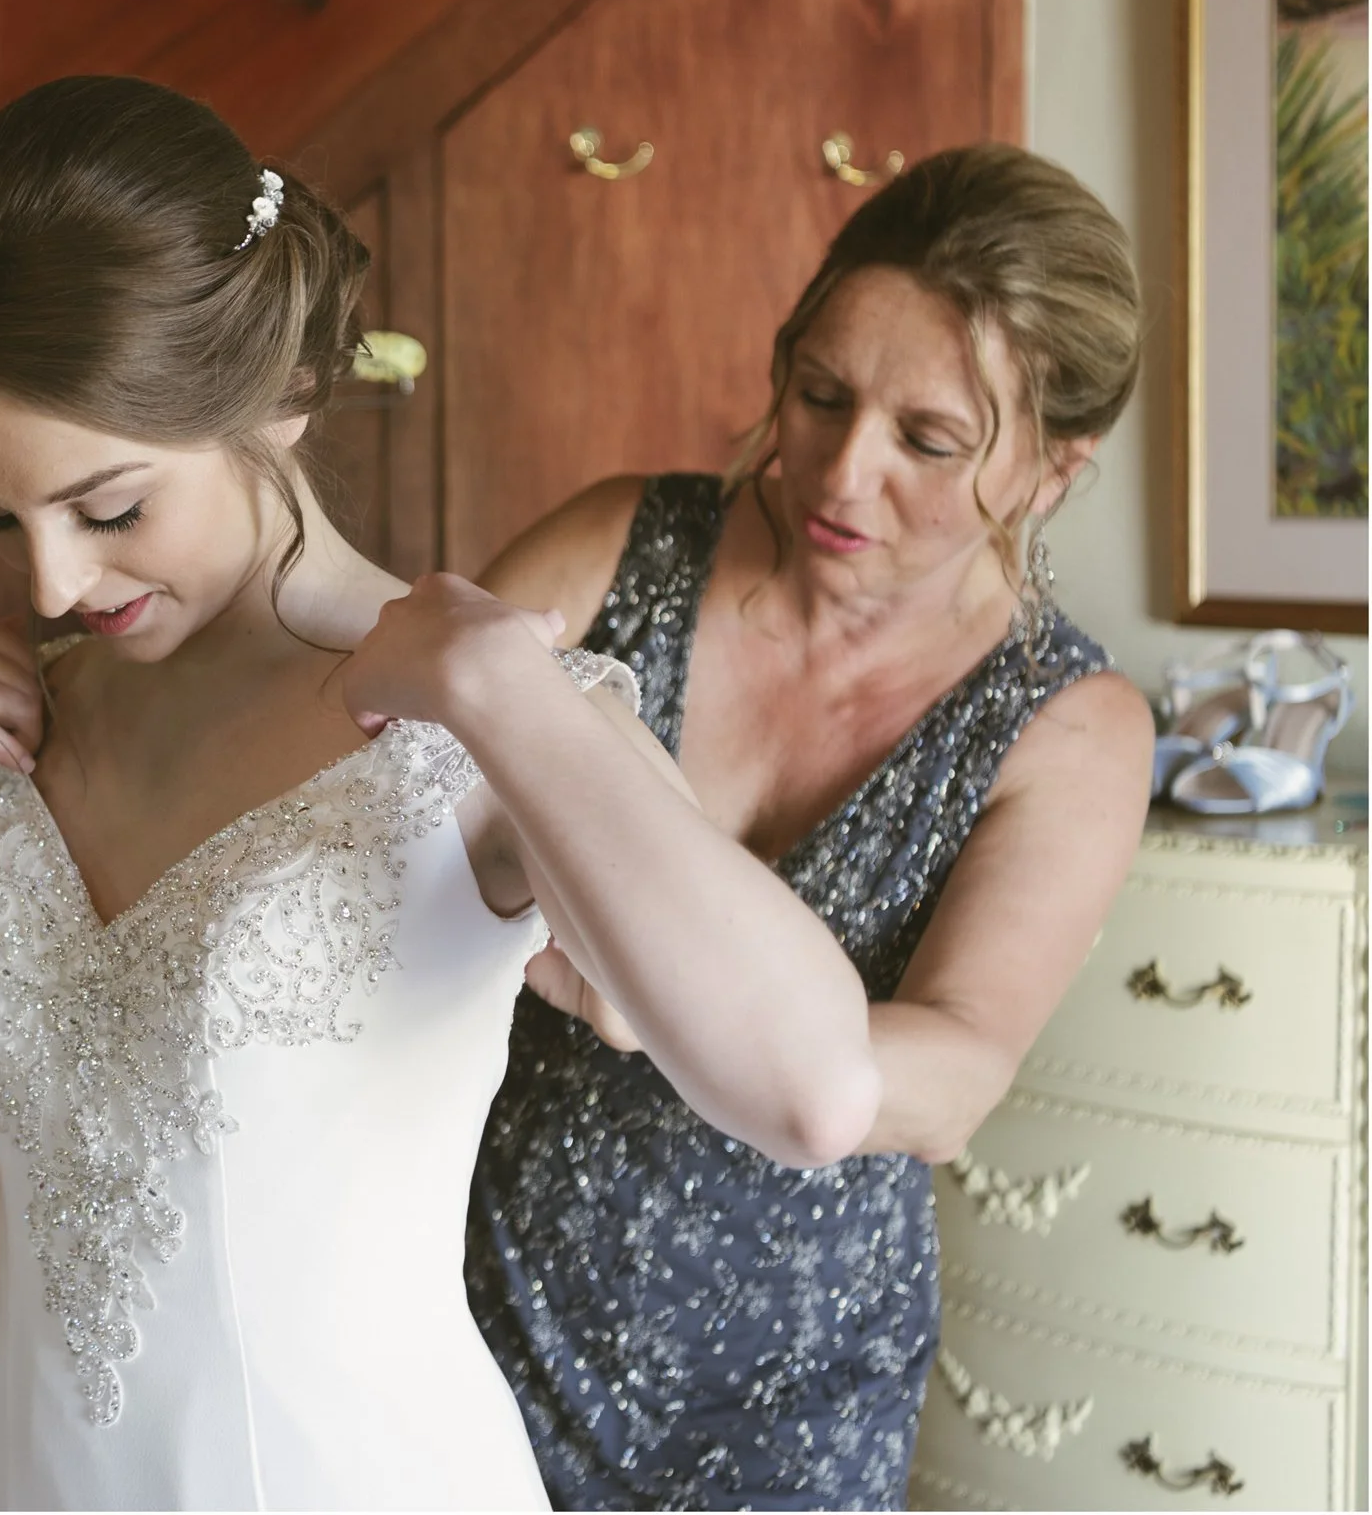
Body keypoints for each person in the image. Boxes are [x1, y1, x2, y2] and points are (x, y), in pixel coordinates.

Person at [0, 76, 884, 1510]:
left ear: (279, 403)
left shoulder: (483, 727)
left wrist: (505, 689)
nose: (53, 582)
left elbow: (818, 1095)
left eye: (109, 509)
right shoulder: (36, 720)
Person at [462, 143, 1156, 1510]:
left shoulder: (1071, 724)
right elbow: (375, 794)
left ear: (1054, 472)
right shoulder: (618, 547)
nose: (840, 473)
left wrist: (679, 1010)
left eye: (929, 442)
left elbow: (957, 1069)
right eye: (820, 394)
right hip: (483, 1316)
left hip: (789, 1399)